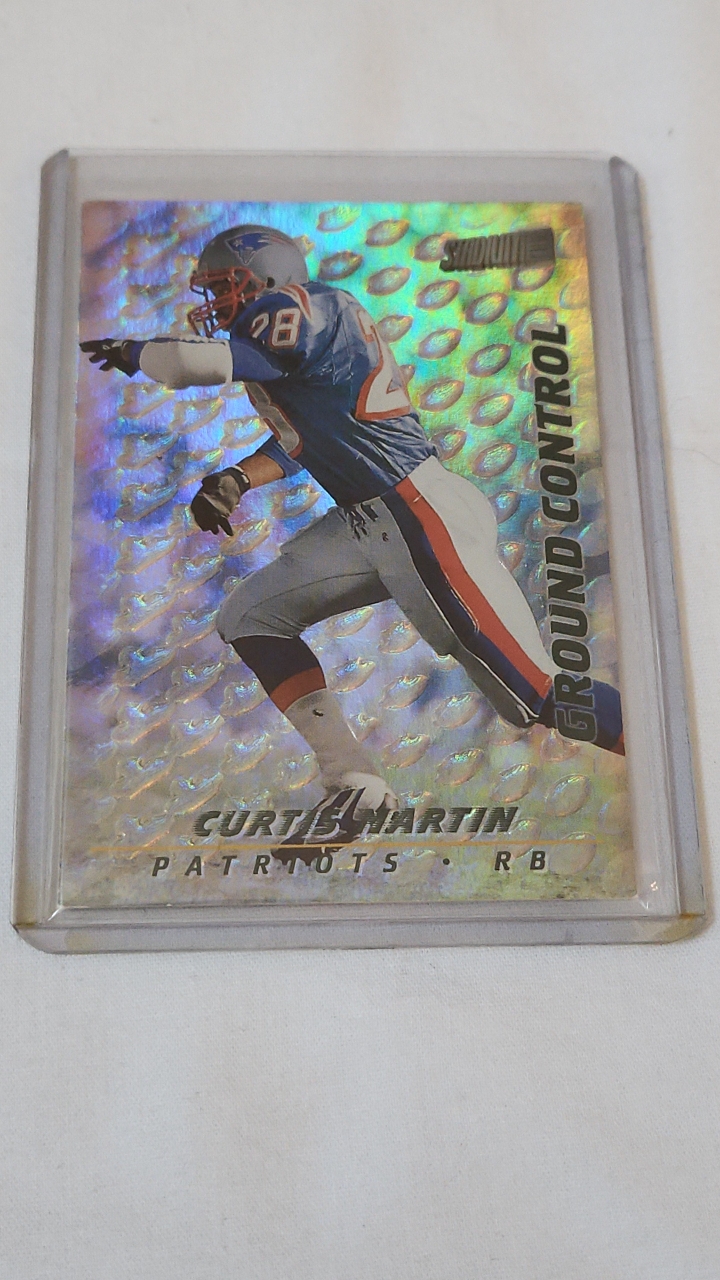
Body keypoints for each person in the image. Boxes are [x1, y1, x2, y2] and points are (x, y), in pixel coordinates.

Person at [81, 223, 624, 852]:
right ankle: (356, 787)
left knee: (540, 695)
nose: (217, 302)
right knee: (249, 616)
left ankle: (666, 746)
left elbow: (188, 365)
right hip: (371, 521)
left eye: (225, 286)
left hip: (419, 513)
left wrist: (134, 351)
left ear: (264, 277)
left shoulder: (298, 307)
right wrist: (237, 478)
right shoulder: (304, 328)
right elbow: (300, 439)